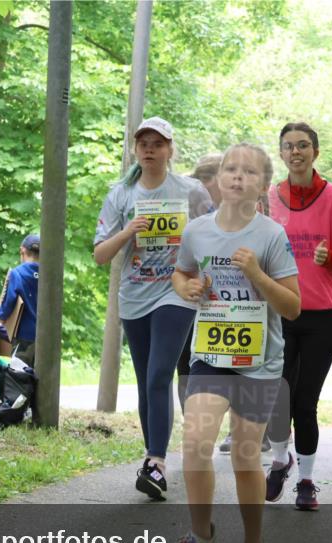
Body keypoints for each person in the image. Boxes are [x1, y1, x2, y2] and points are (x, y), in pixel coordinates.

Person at [169, 142, 300, 543]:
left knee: (246, 458)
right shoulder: (198, 231)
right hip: (210, 354)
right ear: (219, 179)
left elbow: (293, 306)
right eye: (230, 169)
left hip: (258, 360)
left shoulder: (271, 236)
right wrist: (186, 288)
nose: (237, 176)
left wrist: (257, 275)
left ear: (262, 185)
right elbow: (182, 271)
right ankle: (201, 537)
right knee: (195, 443)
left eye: (248, 172)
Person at [93, 117, 212, 500]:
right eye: (142, 142)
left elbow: (214, 235)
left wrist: (206, 276)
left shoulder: (190, 191)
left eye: (157, 143)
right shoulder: (121, 195)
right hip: (134, 296)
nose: (149, 148)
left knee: (160, 372)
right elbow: (99, 255)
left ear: (169, 150)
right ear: (134, 149)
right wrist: (129, 231)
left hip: (175, 292)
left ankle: (157, 462)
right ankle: (152, 459)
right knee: (147, 380)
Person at [264, 122, 332, 511]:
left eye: (303, 145)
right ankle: (279, 460)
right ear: (282, 154)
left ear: (315, 152)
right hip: (281, 313)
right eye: (288, 146)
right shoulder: (269, 197)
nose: (296, 152)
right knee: (278, 397)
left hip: (322, 316)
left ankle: (305, 481)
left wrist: (329, 257)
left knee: (305, 401)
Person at [177, 154, 222, 414]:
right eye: (201, 178)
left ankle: (244, 427)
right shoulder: (187, 209)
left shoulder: (245, 210)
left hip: (231, 305)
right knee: (185, 361)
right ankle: (191, 422)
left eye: (210, 177)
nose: (205, 185)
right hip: (191, 300)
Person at [0, 234, 40, 368]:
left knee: (19, 378)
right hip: (45, 337)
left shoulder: (17, 273)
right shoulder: (49, 274)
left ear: (22, 251)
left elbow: (7, 305)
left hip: (23, 336)